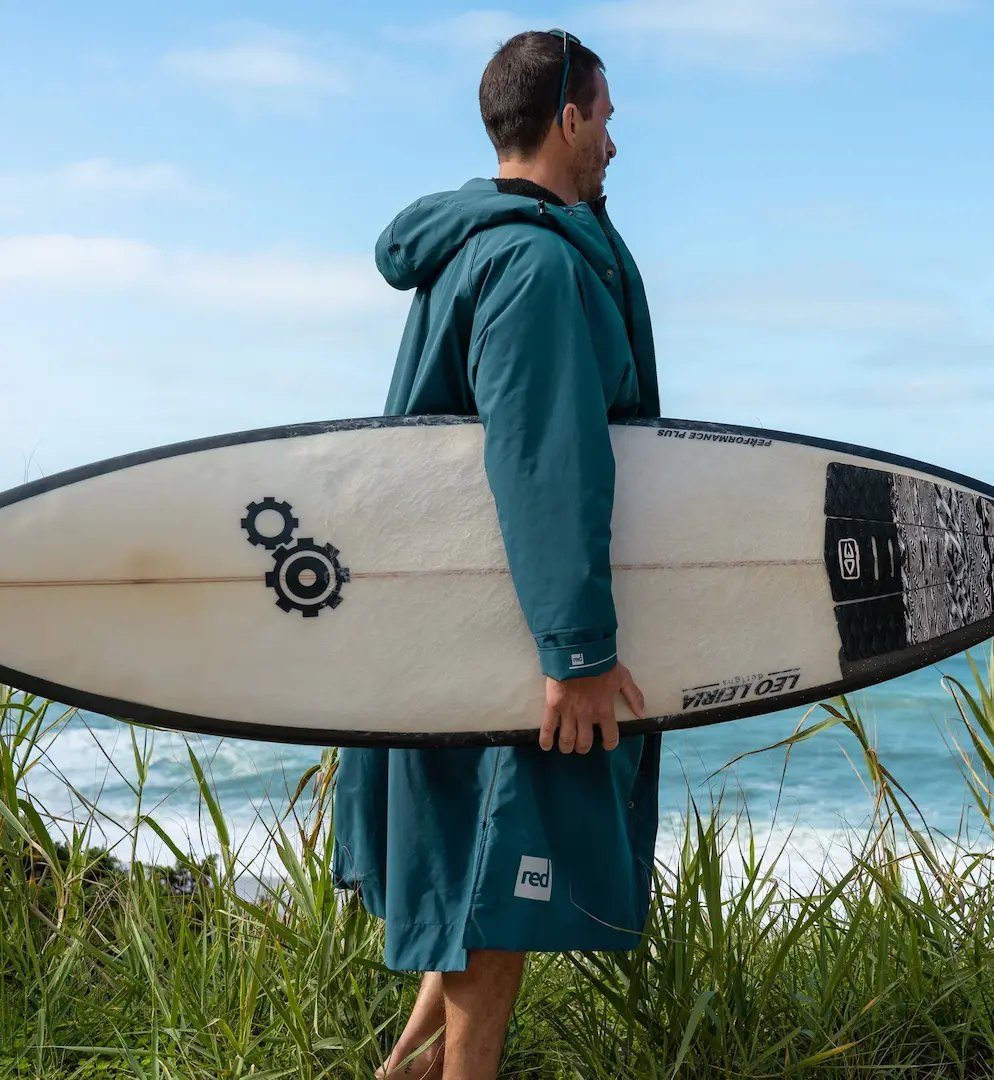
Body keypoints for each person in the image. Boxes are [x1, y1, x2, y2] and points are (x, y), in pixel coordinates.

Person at [332, 28, 663, 1080]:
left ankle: (406, 1069)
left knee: (478, 859)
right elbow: (545, 460)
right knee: (499, 882)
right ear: (567, 118)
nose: (613, 142)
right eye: (604, 118)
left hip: (463, 613)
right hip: (513, 622)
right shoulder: (533, 264)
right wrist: (576, 650)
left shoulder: (487, 247)